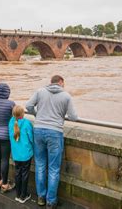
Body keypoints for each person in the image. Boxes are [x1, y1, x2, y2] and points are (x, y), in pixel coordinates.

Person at [26, 75, 77, 208]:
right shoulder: (66, 96)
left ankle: (41, 197)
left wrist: (38, 115)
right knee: (53, 168)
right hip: (55, 132)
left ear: (51, 82)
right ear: (60, 82)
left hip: (38, 130)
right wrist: (60, 115)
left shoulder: (40, 91)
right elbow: (73, 117)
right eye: (63, 83)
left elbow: (28, 106)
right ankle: (51, 201)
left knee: (40, 165)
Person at [9, 105, 34, 204]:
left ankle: (18, 194)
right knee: (25, 174)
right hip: (26, 154)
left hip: (16, 154)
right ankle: (23, 196)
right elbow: (31, 138)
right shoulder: (27, 123)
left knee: (17, 173)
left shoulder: (11, 122)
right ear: (23, 114)